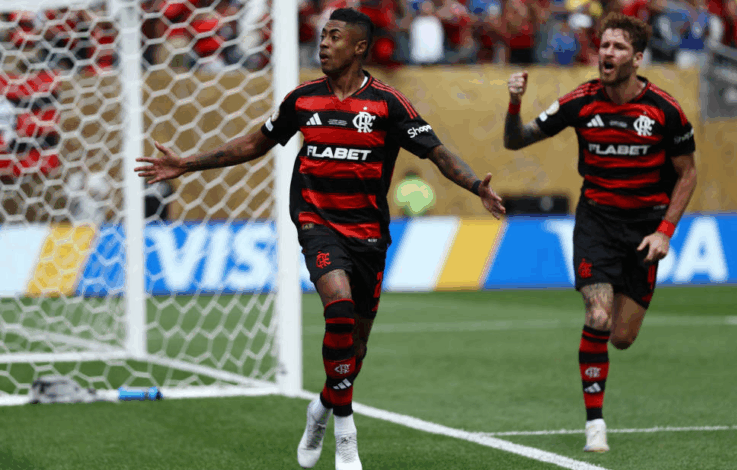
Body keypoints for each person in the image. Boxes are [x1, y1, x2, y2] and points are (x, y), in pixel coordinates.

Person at [135, 7, 505, 470]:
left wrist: (475, 186)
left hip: (368, 232)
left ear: (359, 47)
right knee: (339, 308)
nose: (323, 43)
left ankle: (323, 408)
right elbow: (253, 144)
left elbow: (437, 153)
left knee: (356, 348)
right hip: (316, 221)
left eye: (334, 36)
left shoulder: (388, 104)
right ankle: (345, 433)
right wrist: (186, 164)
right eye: (322, 35)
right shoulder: (302, 99)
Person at [503, 12, 697, 453]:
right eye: (604, 45)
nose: (607, 53)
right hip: (597, 222)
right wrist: (514, 103)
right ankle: (595, 425)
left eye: (618, 47)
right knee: (598, 316)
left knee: (622, 338)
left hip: (645, 229)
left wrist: (665, 232)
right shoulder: (580, 101)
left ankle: (601, 361)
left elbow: (688, 174)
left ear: (637, 58)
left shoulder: (664, 110)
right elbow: (516, 141)